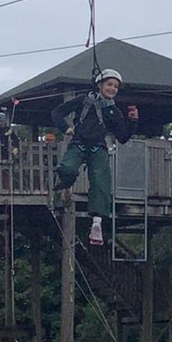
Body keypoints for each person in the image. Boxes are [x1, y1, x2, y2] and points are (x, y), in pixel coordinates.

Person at [51, 68, 139, 246]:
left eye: (116, 87)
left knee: (101, 181)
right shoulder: (84, 100)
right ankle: (65, 188)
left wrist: (132, 121)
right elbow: (57, 112)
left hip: (98, 147)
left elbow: (122, 137)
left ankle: (97, 223)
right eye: (109, 85)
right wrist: (65, 127)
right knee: (67, 168)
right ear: (100, 85)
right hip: (79, 143)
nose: (112, 89)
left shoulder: (113, 112)